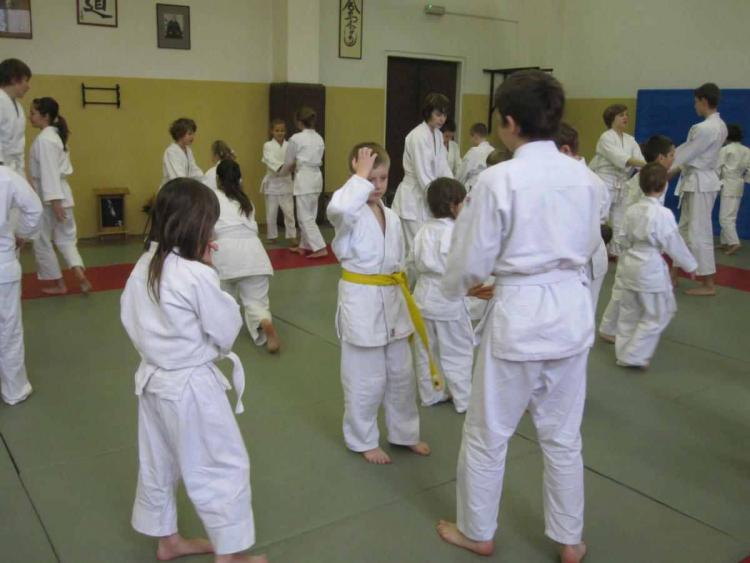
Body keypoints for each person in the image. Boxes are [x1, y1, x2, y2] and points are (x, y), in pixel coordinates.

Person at [437, 70, 599, 563]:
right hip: (571, 311)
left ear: (508, 123)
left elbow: (469, 259)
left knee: (488, 433)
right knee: (563, 436)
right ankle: (570, 540)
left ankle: (477, 531)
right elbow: (591, 243)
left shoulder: (498, 179)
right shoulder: (586, 178)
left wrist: (454, 289)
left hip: (520, 316)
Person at [121, 178, 266, 563]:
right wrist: (207, 269)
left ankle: (168, 541)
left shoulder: (144, 265)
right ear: (194, 226)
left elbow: (130, 320)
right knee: (222, 466)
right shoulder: (195, 274)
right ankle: (230, 556)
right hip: (191, 388)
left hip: (153, 383)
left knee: (159, 462)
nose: (212, 232)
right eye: (210, 224)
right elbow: (226, 331)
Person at [327, 142, 432, 465]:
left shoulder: (392, 216)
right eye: (369, 179)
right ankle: (362, 438)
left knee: (402, 376)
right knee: (365, 379)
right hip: (362, 302)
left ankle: (405, 433)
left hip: (394, 299)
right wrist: (359, 178)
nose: (376, 185)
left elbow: (401, 258)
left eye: (382, 178)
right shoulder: (349, 213)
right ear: (355, 175)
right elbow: (338, 209)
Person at [412, 177, 491, 413]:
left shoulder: (423, 230)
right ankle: (464, 399)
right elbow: (463, 267)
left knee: (426, 351)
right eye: (464, 202)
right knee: (457, 351)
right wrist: (474, 286)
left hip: (422, 297)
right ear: (453, 205)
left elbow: (411, 262)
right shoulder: (455, 233)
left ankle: (431, 394)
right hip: (448, 300)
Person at [613, 163, 697, 368]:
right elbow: (674, 243)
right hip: (649, 266)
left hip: (629, 263)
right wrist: (690, 265)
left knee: (628, 313)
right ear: (664, 185)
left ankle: (623, 353)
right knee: (659, 312)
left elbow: (621, 238)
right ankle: (633, 355)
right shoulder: (663, 214)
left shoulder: (632, 210)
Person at [212, 159, 280, 353]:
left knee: (223, 296)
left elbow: (208, 229)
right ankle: (264, 321)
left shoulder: (212, 198)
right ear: (240, 179)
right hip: (255, 254)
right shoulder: (246, 201)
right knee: (256, 302)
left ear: (218, 179)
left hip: (226, 253)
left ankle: (223, 328)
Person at [28, 97, 91, 295]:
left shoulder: (45, 139)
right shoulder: (56, 136)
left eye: (33, 113)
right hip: (62, 195)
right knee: (66, 239)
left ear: (45, 116)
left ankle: (59, 283)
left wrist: (54, 201)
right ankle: (79, 274)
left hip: (50, 197)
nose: (30, 117)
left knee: (42, 239)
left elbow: (49, 172)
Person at [670, 83, 728, 296]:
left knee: (699, 232)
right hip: (699, 181)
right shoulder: (720, 125)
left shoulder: (704, 128)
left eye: (696, 102)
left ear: (704, 101)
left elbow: (685, 153)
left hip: (700, 182)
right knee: (684, 229)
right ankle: (673, 274)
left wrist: (663, 167)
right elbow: (689, 156)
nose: (695, 105)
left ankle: (708, 284)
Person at [392, 93, 453, 281]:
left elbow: (443, 167)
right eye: (438, 114)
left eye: (444, 115)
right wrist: (441, 200)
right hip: (412, 198)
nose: (442, 119)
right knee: (413, 250)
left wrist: (455, 191)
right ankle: (405, 292)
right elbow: (423, 173)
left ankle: (413, 290)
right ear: (428, 112)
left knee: (423, 248)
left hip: (427, 196)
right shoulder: (417, 136)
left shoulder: (437, 136)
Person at [554, 122, 610, 316]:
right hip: (567, 255)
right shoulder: (560, 178)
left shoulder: (590, 182)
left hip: (585, 258)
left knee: (581, 316)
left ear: (565, 150)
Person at [0, 164, 42, 405]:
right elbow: (34, 209)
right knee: (9, 329)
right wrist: (21, 234)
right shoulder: (6, 176)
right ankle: (14, 389)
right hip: (3, 265)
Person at [589, 103, 646, 256]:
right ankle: (594, 251)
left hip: (622, 182)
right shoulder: (606, 137)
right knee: (600, 217)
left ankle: (615, 252)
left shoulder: (630, 140)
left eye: (626, 115)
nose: (625, 117)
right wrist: (648, 165)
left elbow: (639, 161)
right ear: (611, 119)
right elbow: (621, 158)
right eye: (621, 115)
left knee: (620, 219)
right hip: (605, 180)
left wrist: (650, 169)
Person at [281, 107, 327, 258]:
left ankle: (320, 247)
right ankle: (304, 245)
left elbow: (289, 162)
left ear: (299, 122)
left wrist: (282, 173)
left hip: (305, 178)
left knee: (304, 217)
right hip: (316, 178)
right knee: (310, 214)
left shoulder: (296, 138)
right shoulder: (319, 138)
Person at [261, 119, 296, 242]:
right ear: (272, 131)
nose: (280, 133)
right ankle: (272, 236)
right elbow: (269, 160)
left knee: (289, 213)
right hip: (272, 183)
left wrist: (292, 166)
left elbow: (293, 161)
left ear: (285, 131)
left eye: (282, 130)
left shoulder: (289, 145)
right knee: (271, 213)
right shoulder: (267, 145)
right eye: (277, 130)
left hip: (286, 182)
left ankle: (292, 236)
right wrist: (284, 167)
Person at [717, 124, 750, 255]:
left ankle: (734, 242)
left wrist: (716, 183)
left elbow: (717, 167)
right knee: (731, 215)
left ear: (727, 136)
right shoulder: (746, 150)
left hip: (727, 184)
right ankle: (725, 242)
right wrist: (745, 179)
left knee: (725, 217)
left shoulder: (725, 150)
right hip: (738, 184)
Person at [623, 135, 675, 208]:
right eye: (671, 155)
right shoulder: (649, 178)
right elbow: (644, 208)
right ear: (661, 158)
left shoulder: (659, 177)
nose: (674, 158)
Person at [0, 58, 31, 174]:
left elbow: (19, 145)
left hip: (14, 169)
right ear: (14, 79)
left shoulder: (18, 107)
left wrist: (22, 173)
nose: (28, 86)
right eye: (26, 81)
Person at [161, 117, 203, 187]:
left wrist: (204, 179)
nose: (192, 137)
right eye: (189, 134)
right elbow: (178, 177)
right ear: (180, 134)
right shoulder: (171, 152)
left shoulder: (188, 150)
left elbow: (194, 170)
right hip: (172, 190)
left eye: (193, 133)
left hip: (184, 187)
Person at [457, 122, 494, 191]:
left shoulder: (474, 151)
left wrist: (456, 183)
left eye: (471, 137)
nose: (470, 140)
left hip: (473, 187)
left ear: (475, 136)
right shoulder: (493, 150)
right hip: (488, 187)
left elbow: (462, 172)